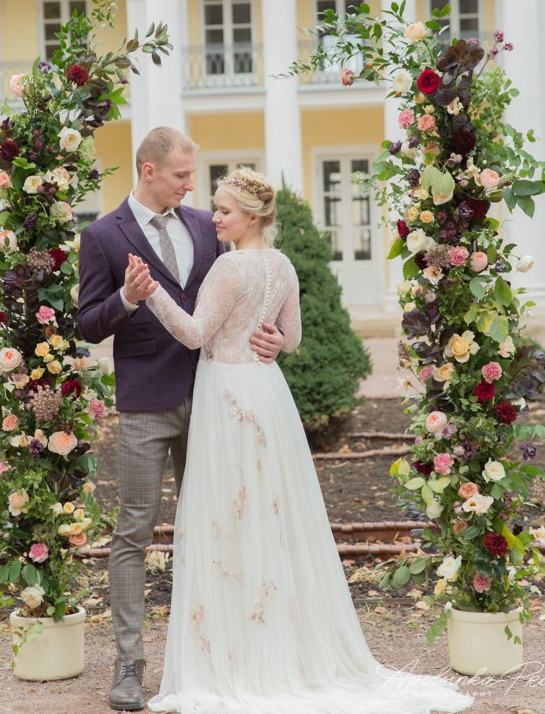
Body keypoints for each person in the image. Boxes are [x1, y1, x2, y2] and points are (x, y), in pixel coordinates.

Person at [124, 167, 473, 714]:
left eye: (225, 211)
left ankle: (239, 655)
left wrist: (149, 296)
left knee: (229, 519)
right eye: (215, 208)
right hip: (266, 393)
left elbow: (194, 334)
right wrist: (276, 339)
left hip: (227, 397)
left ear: (253, 216)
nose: (214, 218)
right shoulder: (282, 265)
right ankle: (278, 640)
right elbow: (296, 337)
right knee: (273, 516)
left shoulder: (227, 267)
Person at [77, 128, 283, 712]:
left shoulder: (205, 225)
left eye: (193, 177)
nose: (191, 186)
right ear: (147, 170)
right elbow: (88, 323)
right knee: (133, 532)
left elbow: (237, 300)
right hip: (144, 403)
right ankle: (129, 665)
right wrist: (126, 299)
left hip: (214, 399)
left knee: (219, 525)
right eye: (180, 176)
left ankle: (219, 656)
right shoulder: (101, 235)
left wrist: (271, 340)